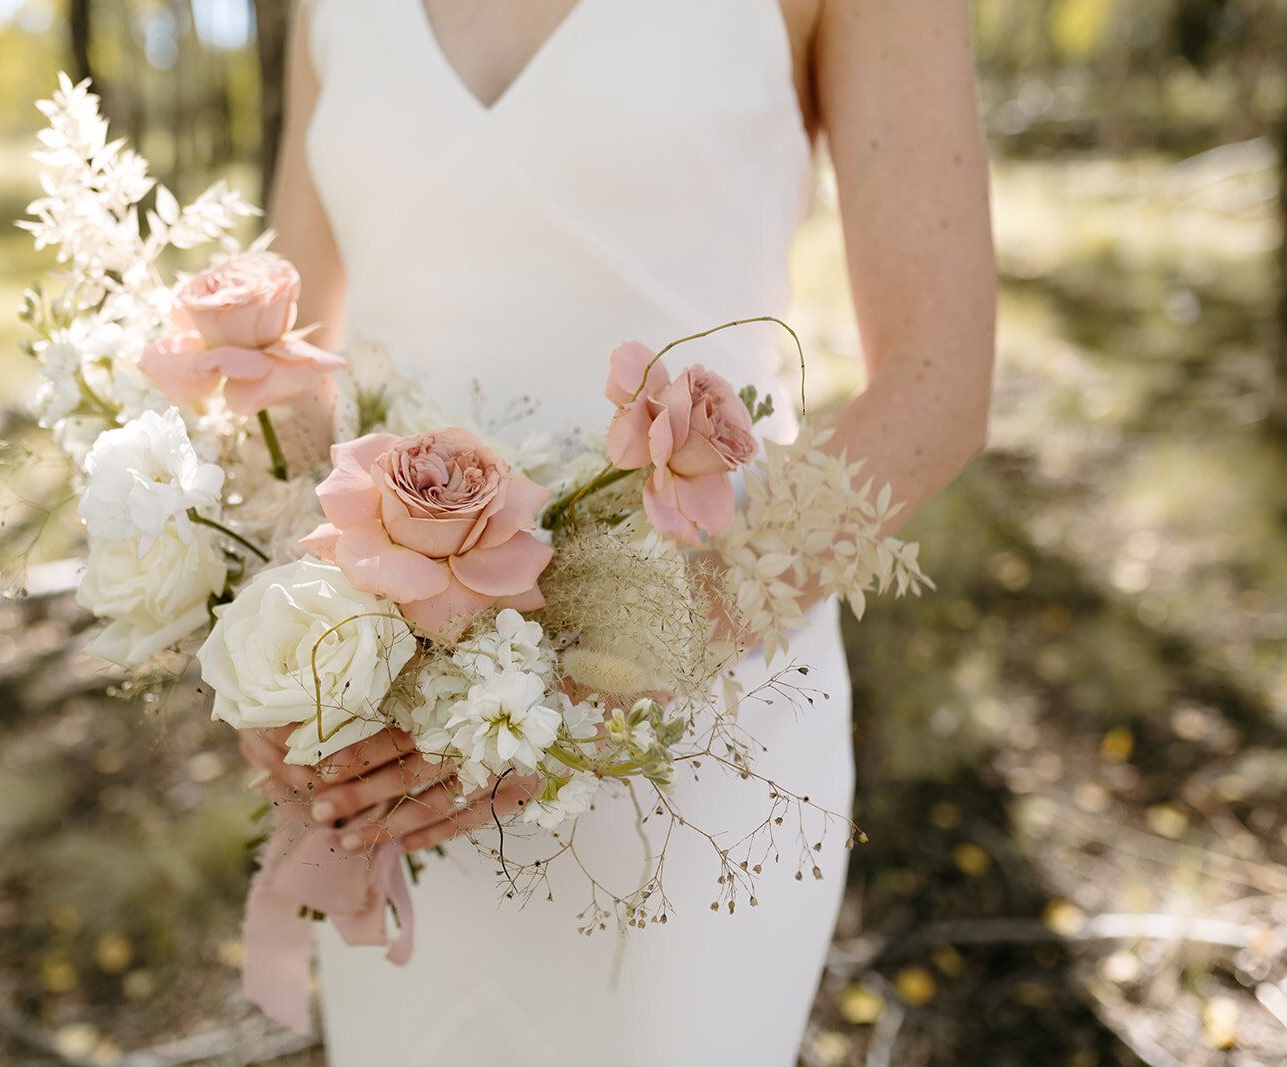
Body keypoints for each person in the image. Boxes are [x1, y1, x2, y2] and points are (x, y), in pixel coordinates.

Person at [244, 1, 995, 1062]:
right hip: (391, 740)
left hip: (698, 727)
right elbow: (296, 341)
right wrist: (282, 639)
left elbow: (938, 379)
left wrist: (576, 673)